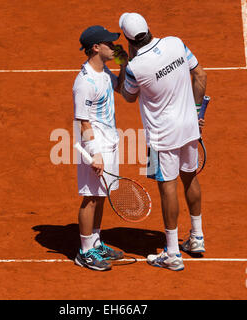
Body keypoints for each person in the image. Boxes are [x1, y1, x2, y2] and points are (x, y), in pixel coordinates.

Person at [118, 13, 208, 271]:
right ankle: (197, 237)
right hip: (189, 126)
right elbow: (200, 76)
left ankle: (171, 253)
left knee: (167, 186)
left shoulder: (137, 67)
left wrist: (123, 63)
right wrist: (197, 111)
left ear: (128, 41)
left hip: (161, 136)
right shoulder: (176, 43)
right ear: (149, 28)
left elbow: (127, 96)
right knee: (190, 176)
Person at [72, 25, 128, 271]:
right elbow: (83, 122)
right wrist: (95, 153)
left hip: (109, 141)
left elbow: (122, 90)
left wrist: (123, 64)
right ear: (96, 47)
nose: (114, 47)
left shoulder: (104, 71)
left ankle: (95, 242)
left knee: (101, 195)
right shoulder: (84, 82)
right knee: (90, 198)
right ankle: (85, 252)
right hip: (95, 145)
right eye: (110, 44)